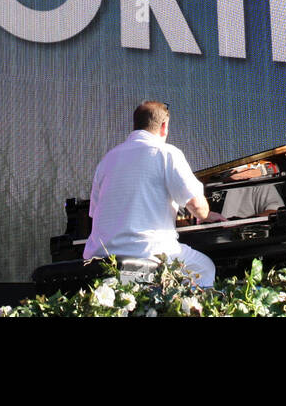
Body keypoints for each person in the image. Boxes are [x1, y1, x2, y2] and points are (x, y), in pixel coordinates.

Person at [84, 101, 223, 287]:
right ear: (164, 126)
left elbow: (94, 214)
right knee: (205, 268)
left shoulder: (108, 159)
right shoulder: (166, 153)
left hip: (101, 261)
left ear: (135, 125)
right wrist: (207, 215)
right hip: (145, 258)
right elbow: (197, 207)